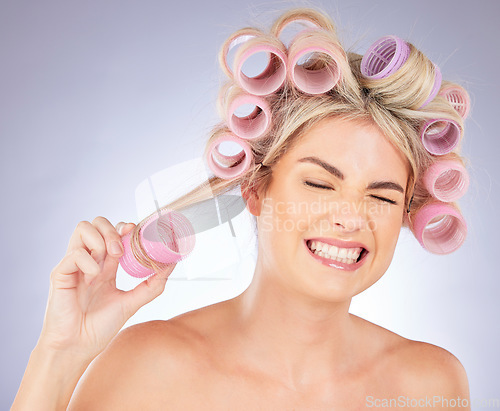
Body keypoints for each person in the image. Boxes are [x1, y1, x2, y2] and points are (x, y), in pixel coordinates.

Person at [12, 7, 471, 410]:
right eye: (318, 182)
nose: (351, 217)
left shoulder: (428, 386)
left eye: (382, 196)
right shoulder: (151, 370)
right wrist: (60, 354)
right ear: (254, 187)